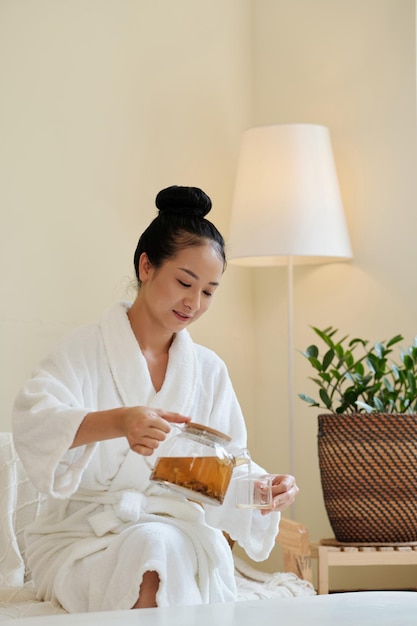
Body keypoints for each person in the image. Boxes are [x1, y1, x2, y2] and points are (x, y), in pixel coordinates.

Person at [12, 185, 299, 612]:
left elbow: (222, 468)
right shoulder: (85, 349)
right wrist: (119, 421)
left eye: (208, 291)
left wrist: (262, 489)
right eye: (184, 282)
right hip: (80, 537)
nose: (194, 302)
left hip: (171, 530)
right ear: (146, 266)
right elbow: (34, 421)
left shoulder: (207, 370)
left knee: (157, 544)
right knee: (151, 549)